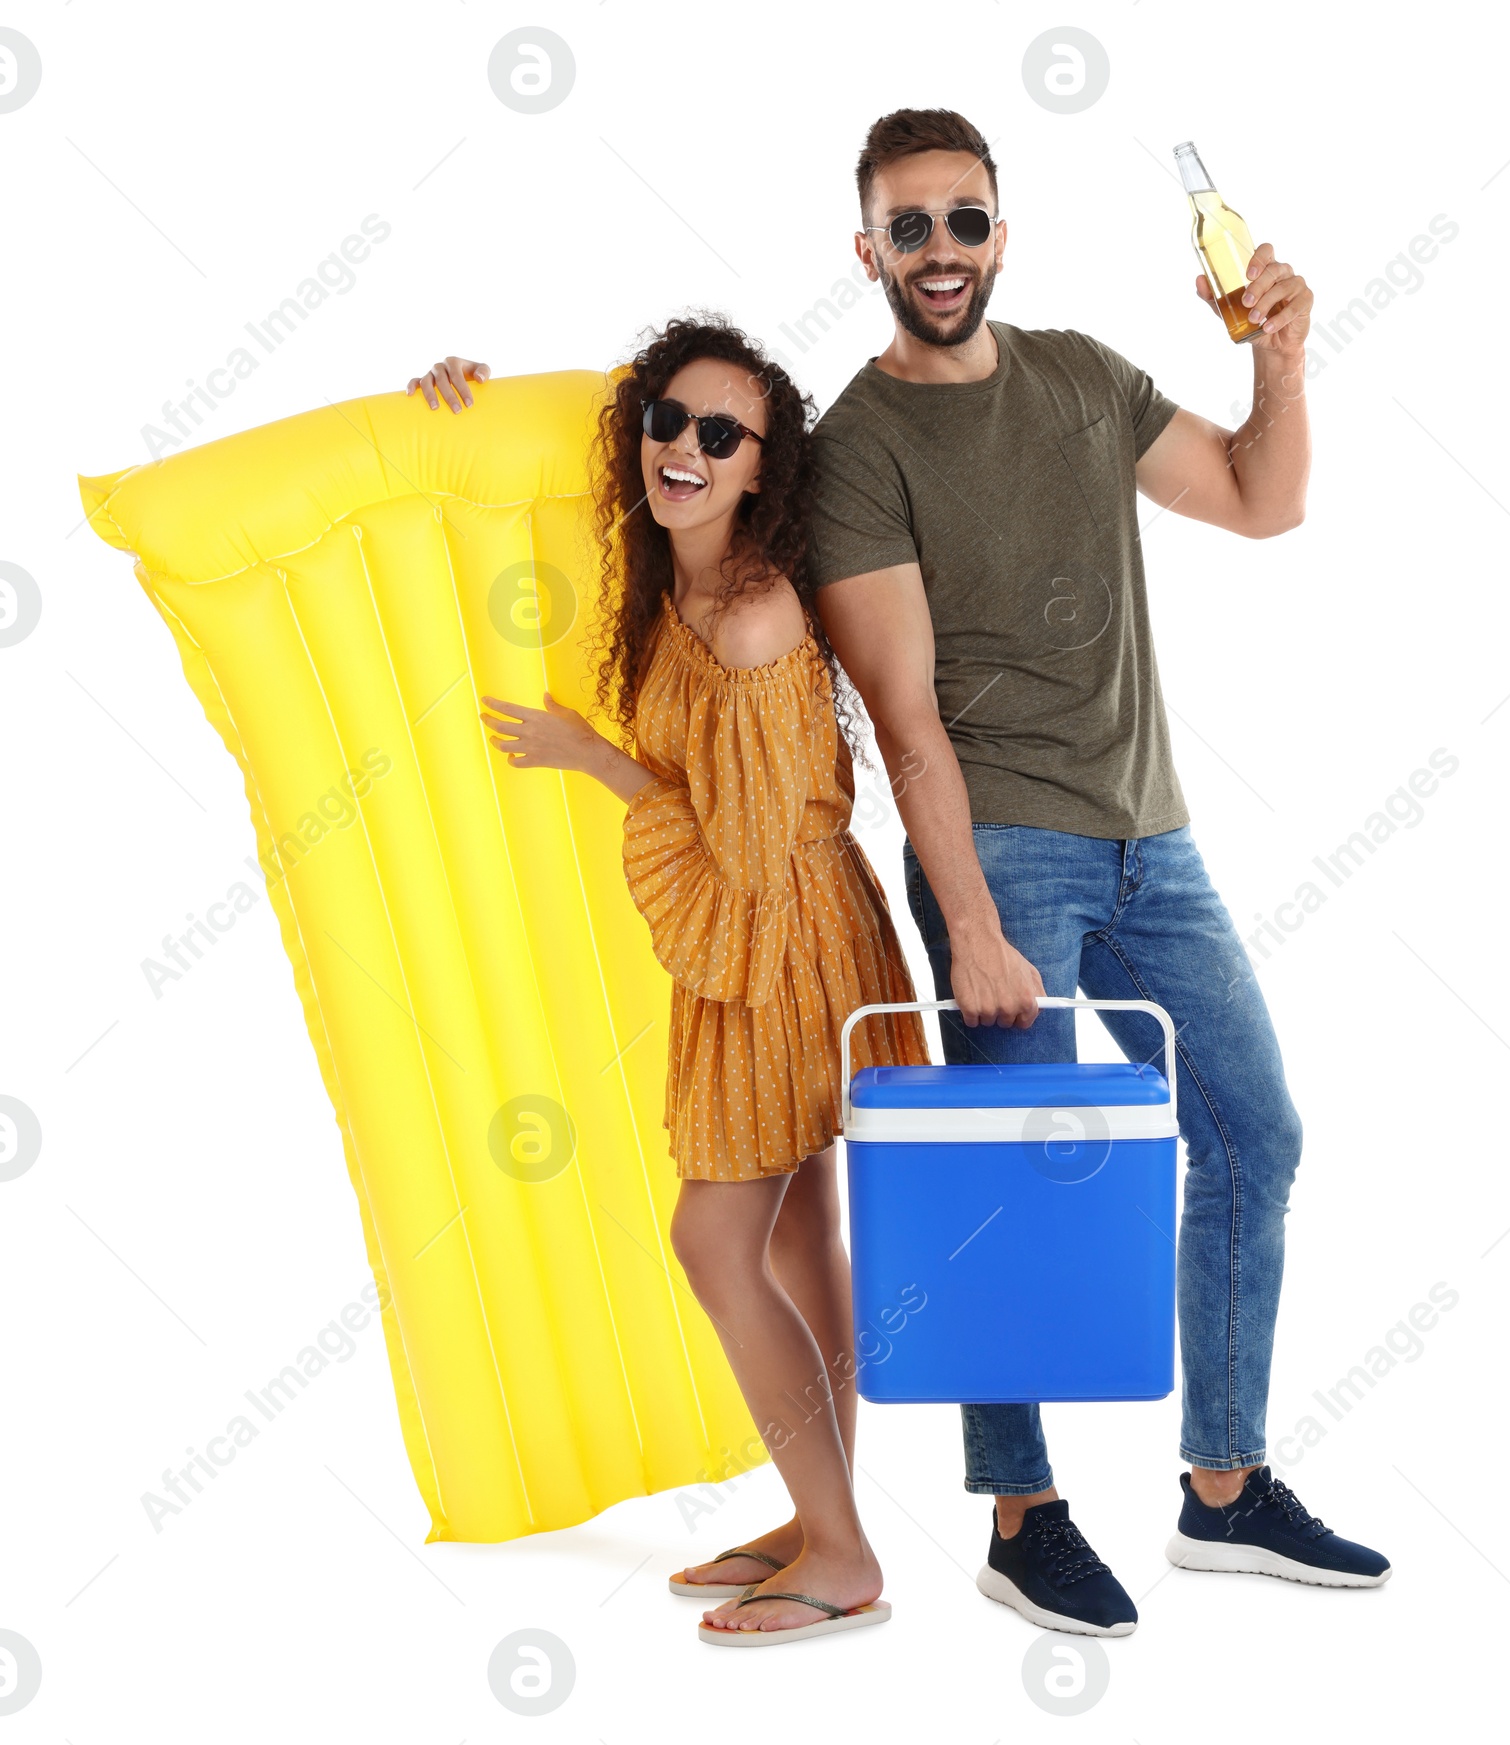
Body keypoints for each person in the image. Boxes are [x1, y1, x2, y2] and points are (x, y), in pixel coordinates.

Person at [408, 103, 1391, 1638]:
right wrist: (980, 925)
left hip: (1158, 835)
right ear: (865, 250)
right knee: (1002, 1182)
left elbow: (1270, 502)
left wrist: (1276, 350)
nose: (939, 249)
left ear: (1005, 234)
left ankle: (1222, 1484)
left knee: (1257, 1133)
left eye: (964, 220)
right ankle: (1020, 1509)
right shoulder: (855, 445)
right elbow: (907, 719)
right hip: (1001, 847)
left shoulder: (1080, 375)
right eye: (909, 226)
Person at [413, 318, 929, 1644]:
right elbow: (575, 422)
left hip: (785, 937)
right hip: (767, 929)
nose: (681, 449)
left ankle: (843, 1553)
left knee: (715, 1236)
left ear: (764, 468)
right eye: (666, 421)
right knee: (800, 1232)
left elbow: (746, 856)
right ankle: (826, 1519)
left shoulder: (754, 611)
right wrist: (455, 392)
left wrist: (596, 761)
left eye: (721, 435)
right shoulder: (667, 563)